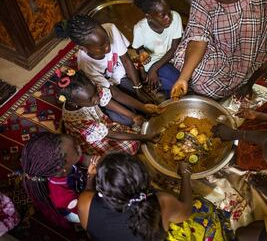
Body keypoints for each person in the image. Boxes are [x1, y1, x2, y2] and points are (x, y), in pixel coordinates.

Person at [77, 153, 234, 241]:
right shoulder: (161, 202)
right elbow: (186, 211)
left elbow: (89, 194)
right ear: (145, 179)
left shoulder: (84, 203)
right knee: (201, 206)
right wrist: (186, 174)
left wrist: (90, 178)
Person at [54, 15, 155, 125]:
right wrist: (140, 109)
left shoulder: (110, 28)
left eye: (107, 40)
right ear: (83, 48)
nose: (108, 47)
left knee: (146, 99)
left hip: (120, 77)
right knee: (128, 118)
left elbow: (126, 61)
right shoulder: (86, 66)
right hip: (104, 92)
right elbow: (114, 93)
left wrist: (138, 90)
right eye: (101, 46)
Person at [58, 69, 159, 155]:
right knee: (132, 145)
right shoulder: (78, 121)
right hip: (92, 139)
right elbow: (111, 135)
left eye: (95, 93)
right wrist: (144, 137)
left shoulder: (88, 93)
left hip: (101, 123)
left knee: (131, 129)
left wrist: (133, 116)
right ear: (74, 103)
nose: (97, 98)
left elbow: (106, 101)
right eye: (92, 99)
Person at [19, 132, 99, 225]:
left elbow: (83, 159)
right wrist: (90, 178)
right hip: (77, 209)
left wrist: (92, 161)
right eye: (76, 149)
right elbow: (84, 208)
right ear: (63, 168)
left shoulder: (63, 163)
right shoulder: (61, 195)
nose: (79, 146)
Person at [132, 0, 182, 97]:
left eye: (168, 12)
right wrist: (142, 52)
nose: (168, 18)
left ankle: (159, 89)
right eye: (162, 15)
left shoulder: (176, 17)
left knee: (182, 81)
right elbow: (138, 48)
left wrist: (154, 69)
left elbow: (174, 48)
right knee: (174, 82)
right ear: (149, 17)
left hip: (172, 56)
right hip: (153, 61)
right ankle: (159, 89)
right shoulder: (140, 28)